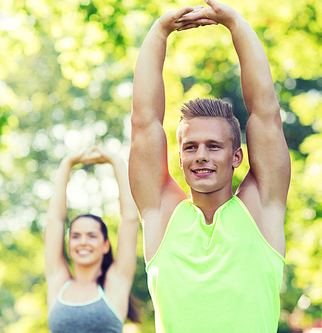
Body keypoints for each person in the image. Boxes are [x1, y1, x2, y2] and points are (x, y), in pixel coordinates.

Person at [129, 0, 291, 331]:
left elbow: (266, 113)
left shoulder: (260, 209)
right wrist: (159, 31)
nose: (201, 155)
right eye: (191, 147)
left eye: (214, 146)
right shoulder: (163, 216)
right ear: (180, 158)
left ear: (237, 157)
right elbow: (144, 123)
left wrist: (235, 22)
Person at [45, 146, 140, 332]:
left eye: (92, 236)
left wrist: (116, 161)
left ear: (105, 245)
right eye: (76, 236)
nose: (83, 242)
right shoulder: (58, 282)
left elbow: (130, 219)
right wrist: (67, 163)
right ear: (69, 243)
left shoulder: (115, 282)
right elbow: (54, 220)